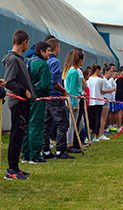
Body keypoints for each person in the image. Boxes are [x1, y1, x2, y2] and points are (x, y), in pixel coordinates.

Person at [2, 29, 36, 179]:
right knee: (15, 136)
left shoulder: (20, 59)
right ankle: (11, 170)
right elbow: (9, 81)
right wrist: (24, 91)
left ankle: (16, 167)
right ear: (25, 42)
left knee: (20, 135)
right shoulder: (13, 59)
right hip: (18, 103)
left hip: (24, 103)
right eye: (28, 43)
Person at [41, 38, 74, 160]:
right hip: (55, 96)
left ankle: (45, 150)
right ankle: (60, 150)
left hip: (46, 96)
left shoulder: (45, 61)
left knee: (47, 124)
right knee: (62, 123)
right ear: (56, 48)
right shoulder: (55, 62)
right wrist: (63, 90)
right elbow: (54, 81)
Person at [21, 41, 52, 164]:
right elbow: (46, 85)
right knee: (36, 126)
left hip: (27, 98)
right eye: (48, 51)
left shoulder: (27, 61)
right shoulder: (42, 64)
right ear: (42, 52)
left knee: (27, 125)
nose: (50, 53)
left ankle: (25, 155)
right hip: (38, 99)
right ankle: (35, 156)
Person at [64, 49, 85, 153]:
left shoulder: (75, 71)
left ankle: (71, 142)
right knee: (72, 123)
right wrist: (75, 103)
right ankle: (69, 144)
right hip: (73, 99)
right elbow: (71, 89)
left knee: (80, 123)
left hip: (76, 97)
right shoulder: (73, 72)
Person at [87, 64, 105, 142]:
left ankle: (89, 134)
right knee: (97, 118)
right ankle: (96, 135)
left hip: (91, 101)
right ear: (97, 70)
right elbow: (102, 90)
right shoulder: (100, 80)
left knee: (90, 118)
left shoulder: (88, 80)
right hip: (98, 101)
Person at [99, 65, 116, 140]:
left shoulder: (106, 80)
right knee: (103, 117)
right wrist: (111, 90)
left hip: (107, 99)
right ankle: (100, 133)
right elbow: (102, 91)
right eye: (110, 72)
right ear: (106, 72)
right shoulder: (103, 80)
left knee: (104, 117)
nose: (111, 74)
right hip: (104, 99)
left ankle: (101, 132)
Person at [115, 66, 123, 133]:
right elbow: (120, 90)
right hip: (120, 98)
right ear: (120, 72)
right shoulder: (120, 79)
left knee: (122, 112)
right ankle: (119, 126)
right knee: (120, 112)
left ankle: (120, 126)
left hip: (122, 97)